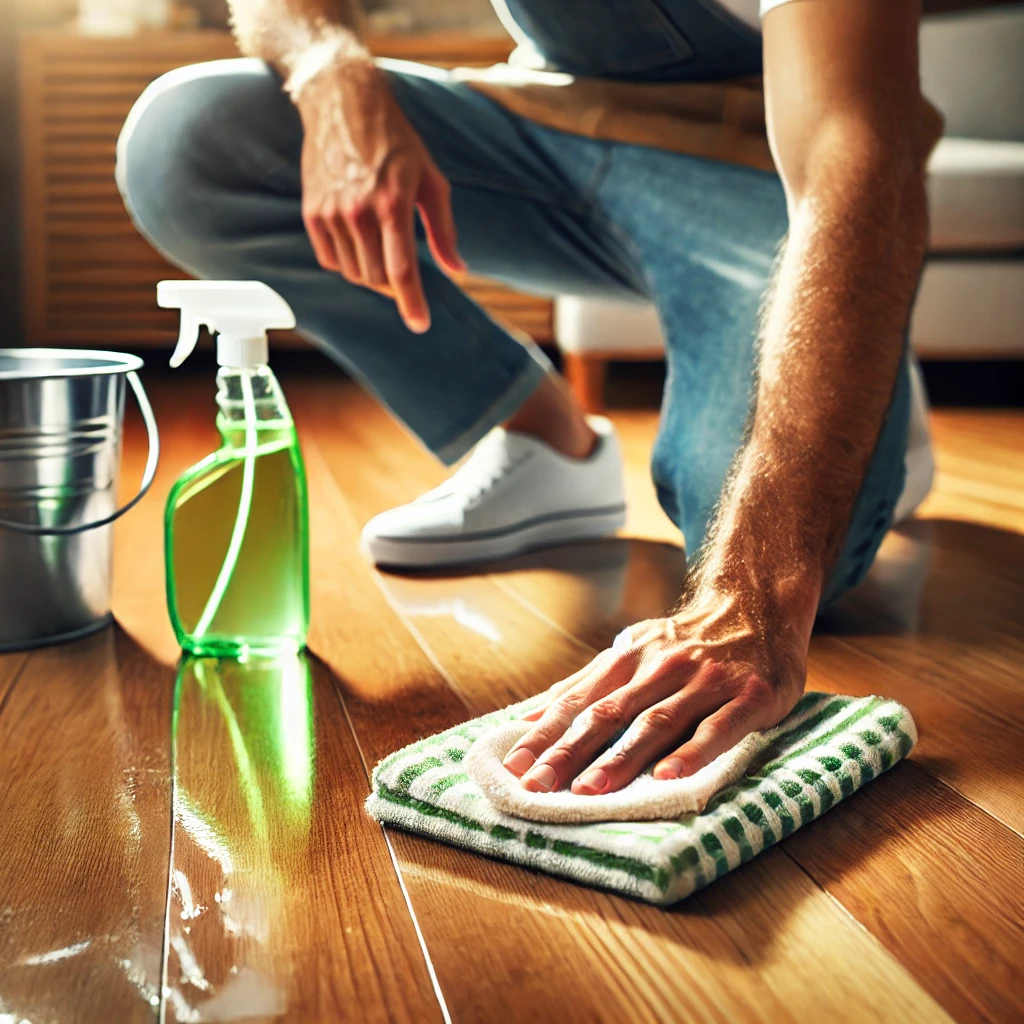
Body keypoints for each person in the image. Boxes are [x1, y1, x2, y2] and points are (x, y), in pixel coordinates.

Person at [117, 0, 940, 799]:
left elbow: (856, 143)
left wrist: (752, 596)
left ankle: (858, 370)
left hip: (762, 171)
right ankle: (547, 438)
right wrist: (330, 70)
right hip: (550, 133)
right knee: (186, 141)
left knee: (774, 558)